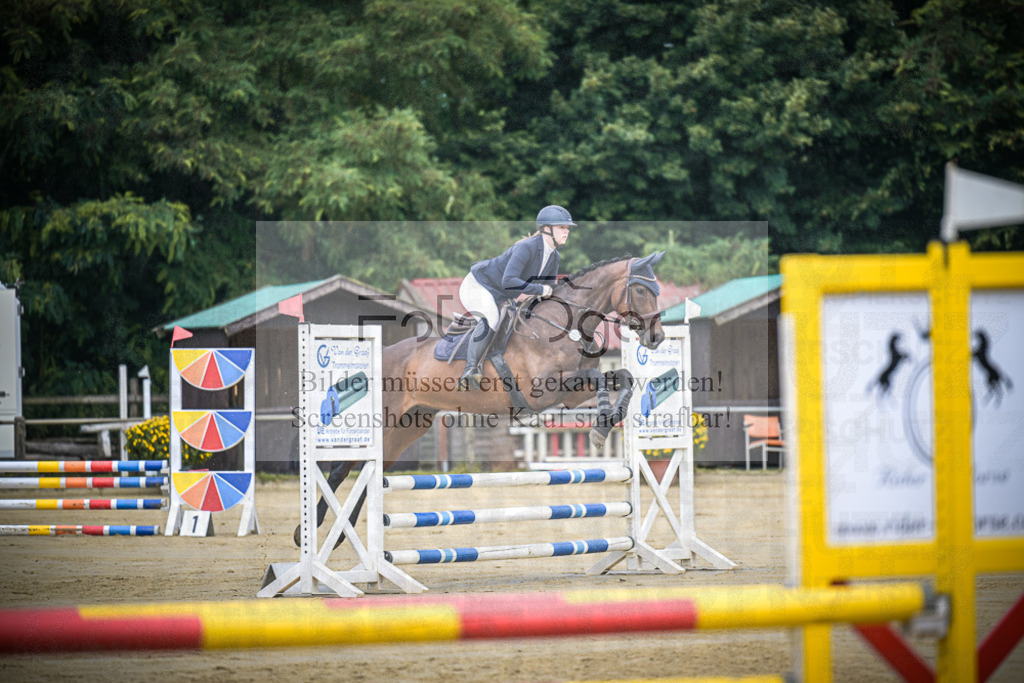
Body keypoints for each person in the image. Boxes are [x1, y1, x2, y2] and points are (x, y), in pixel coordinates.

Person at [456, 205, 576, 390]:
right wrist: (539, 289)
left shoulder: (554, 256)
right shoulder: (525, 247)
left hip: (501, 292)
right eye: (562, 227)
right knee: (491, 319)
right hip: (478, 285)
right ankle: (470, 371)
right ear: (546, 229)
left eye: (567, 228)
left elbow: (548, 289)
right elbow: (510, 281)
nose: (566, 232)